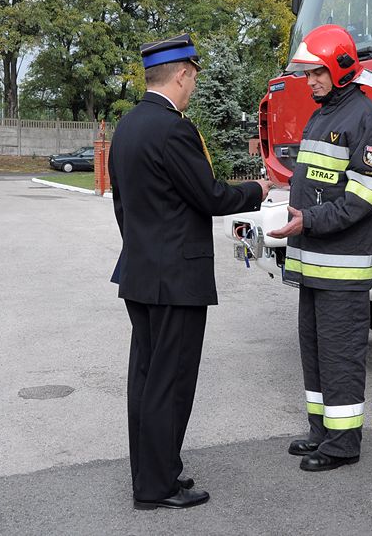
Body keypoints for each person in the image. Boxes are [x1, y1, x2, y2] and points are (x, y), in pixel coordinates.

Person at [108, 33, 274, 510]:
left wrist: (144, 249)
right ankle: (157, 486)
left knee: (145, 379)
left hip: (141, 272)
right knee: (171, 382)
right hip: (176, 279)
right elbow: (211, 197)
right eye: (194, 78)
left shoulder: (128, 126)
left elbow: (124, 206)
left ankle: (155, 475)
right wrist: (258, 190)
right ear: (182, 73)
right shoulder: (172, 129)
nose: (194, 87)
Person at [268, 24, 372, 472]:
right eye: (308, 74)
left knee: (340, 355)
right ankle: (322, 432)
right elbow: (316, 184)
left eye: (318, 73)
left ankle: (343, 445)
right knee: (316, 351)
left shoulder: (367, 117)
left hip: (342, 267)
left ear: (342, 68)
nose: (312, 82)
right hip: (313, 263)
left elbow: (365, 196)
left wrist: (311, 220)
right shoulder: (323, 114)